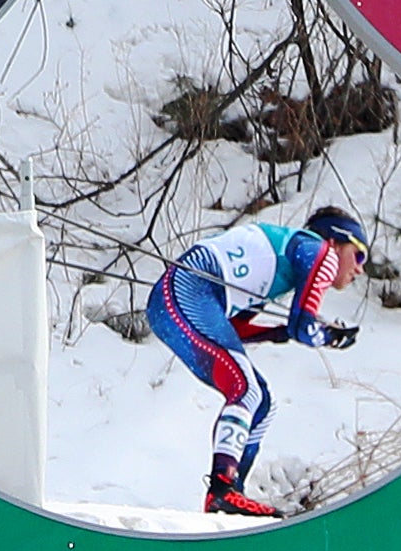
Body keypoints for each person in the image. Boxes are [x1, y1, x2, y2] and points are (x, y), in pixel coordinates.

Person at [148, 206, 368, 517]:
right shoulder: (320, 251)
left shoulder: (286, 259)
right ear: (336, 241)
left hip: (182, 298)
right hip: (189, 291)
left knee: (262, 403)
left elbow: (235, 328)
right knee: (246, 389)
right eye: (359, 255)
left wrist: (278, 332)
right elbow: (304, 328)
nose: (359, 269)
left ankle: (232, 495)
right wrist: (332, 337)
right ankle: (222, 493)